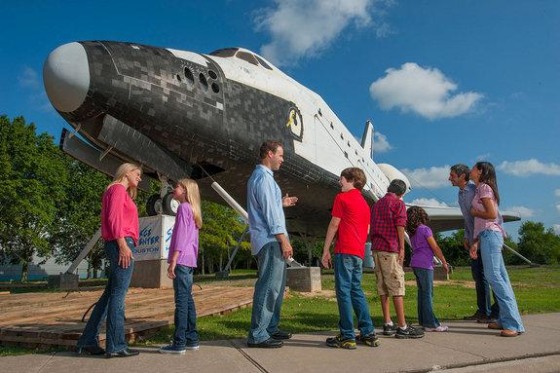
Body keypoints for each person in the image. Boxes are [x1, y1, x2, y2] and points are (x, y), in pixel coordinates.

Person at [76, 163, 142, 358]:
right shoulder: (118, 189)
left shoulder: (118, 191)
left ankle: (87, 341)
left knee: (109, 296)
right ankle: (116, 345)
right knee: (118, 297)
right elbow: (114, 219)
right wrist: (123, 245)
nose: (140, 178)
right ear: (126, 173)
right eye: (137, 174)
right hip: (120, 242)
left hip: (118, 242)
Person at [246, 140, 298, 348]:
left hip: (269, 239)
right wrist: (284, 240)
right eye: (280, 155)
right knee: (268, 288)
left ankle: (270, 328)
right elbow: (270, 214)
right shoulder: (264, 179)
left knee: (275, 288)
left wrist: (282, 203)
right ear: (269, 154)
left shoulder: (262, 178)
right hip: (270, 240)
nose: (282, 160)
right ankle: (258, 334)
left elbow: (269, 207)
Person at [321, 168, 379, 349]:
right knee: (356, 291)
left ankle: (347, 335)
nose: (340, 183)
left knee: (343, 292)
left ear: (352, 180)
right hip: (358, 253)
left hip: (344, 251)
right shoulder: (365, 204)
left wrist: (325, 251)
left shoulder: (341, 198)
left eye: (342, 180)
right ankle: (368, 333)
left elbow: (334, 224)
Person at [469, 161, 525, 337]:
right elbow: (485, 222)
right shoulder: (481, 189)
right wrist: (476, 241)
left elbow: (491, 215)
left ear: (480, 171)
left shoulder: (484, 188)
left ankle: (513, 324)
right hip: (487, 235)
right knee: (500, 278)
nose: (470, 170)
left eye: (473, 168)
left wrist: (474, 212)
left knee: (494, 278)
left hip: (491, 235)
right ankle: (504, 318)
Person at [370, 179, 424, 339]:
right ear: (401, 192)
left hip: (376, 248)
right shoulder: (398, 204)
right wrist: (402, 247)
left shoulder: (377, 204)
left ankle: (387, 322)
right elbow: (400, 225)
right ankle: (402, 326)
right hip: (390, 248)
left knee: (383, 286)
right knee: (397, 287)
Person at [449, 164, 499, 323]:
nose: (449, 178)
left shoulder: (473, 191)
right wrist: (466, 235)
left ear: (462, 176)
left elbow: (481, 216)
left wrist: (476, 240)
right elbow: (468, 218)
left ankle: (496, 312)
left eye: (452, 175)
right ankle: (483, 311)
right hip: (473, 239)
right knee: (479, 276)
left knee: (490, 276)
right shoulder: (460, 194)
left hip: (483, 237)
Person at [160, 178, 203, 354]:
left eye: (177, 186)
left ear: (185, 191)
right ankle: (192, 339)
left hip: (182, 260)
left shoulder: (184, 208)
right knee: (188, 300)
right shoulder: (192, 210)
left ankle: (179, 342)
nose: (173, 188)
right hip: (189, 260)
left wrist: (173, 260)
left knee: (181, 302)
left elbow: (181, 236)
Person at [406, 206, 449, 332]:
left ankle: (424, 321)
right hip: (425, 264)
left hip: (415, 262)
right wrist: (444, 262)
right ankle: (431, 323)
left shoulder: (412, 231)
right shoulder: (425, 229)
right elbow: (435, 247)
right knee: (428, 294)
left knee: (422, 293)